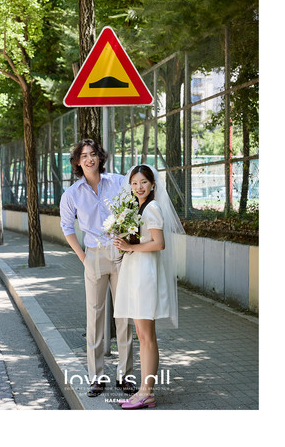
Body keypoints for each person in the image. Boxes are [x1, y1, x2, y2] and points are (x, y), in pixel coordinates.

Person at [59, 139, 136, 398]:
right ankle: (96, 377)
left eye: (93, 154)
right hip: (93, 255)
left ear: (100, 157)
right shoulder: (71, 194)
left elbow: (134, 206)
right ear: (78, 162)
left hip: (121, 254)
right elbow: (67, 227)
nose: (89, 159)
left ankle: (125, 375)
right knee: (94, 316)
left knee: (124, 315)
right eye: (84, 156)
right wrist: (83, 257)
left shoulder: (117, 182)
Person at [113, 164, 185, 409]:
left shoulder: (152, 208)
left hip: (145, 274)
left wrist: (130, 246)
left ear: (153, 184)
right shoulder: (136, 208)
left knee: (146, 336)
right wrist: (123, 240)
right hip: (136, 271)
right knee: (143, 335)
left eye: (143, 182)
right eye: (134, 183)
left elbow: (159, 243)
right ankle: (144, 391)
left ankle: (147, 392)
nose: (139, 187)